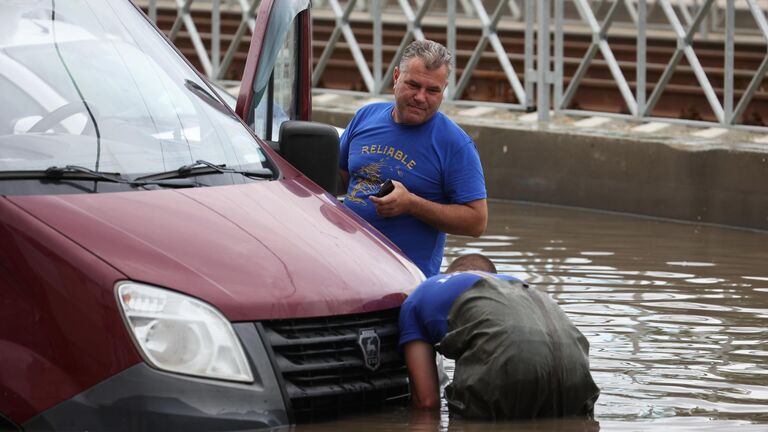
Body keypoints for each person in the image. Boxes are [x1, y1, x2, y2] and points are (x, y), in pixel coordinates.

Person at [338, 39, 487, 277]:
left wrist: (412, 204)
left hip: (404, 281)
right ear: (396, 77)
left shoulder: (455, 144)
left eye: (432, 90)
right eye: (413, 85)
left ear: (444, 89)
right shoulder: (365, 117)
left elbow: (477, 221)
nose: (420, 97)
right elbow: (340, 179)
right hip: (344, 264)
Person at [398, 253, 600, 420]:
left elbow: (427, 402)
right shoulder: (517, 285)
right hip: (574, 364)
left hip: (506, 357)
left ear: (449, 274)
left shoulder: (421, 293)